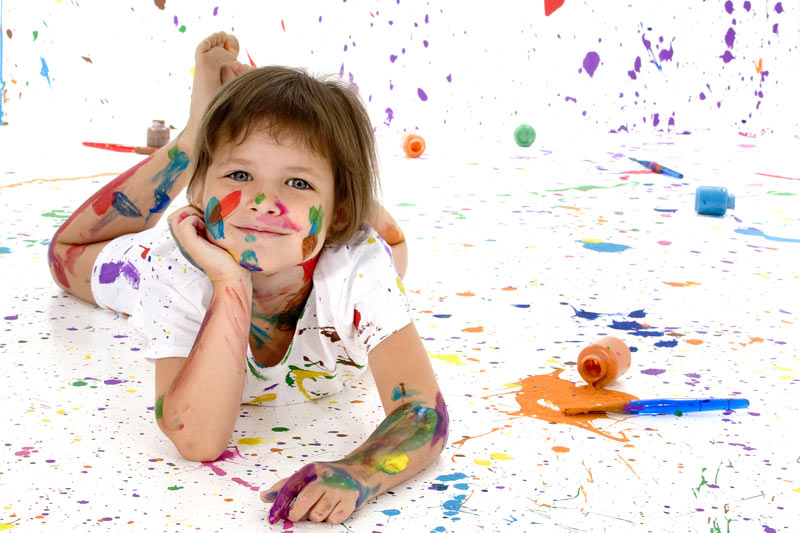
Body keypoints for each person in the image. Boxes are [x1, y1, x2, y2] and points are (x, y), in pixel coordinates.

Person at [48, 31, 448, 525]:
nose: (262, 201)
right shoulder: (173, 266)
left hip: (337, 242)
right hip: (193, 254)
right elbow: (197, 441)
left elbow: (423, 414)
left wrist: (357, 471)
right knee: (64, 257)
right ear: (199, 192)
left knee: (390, 250)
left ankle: (321, 191)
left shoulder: (358, 264)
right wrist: (228, 282)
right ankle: (196, 137)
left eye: (297, 182)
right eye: (238, 175)